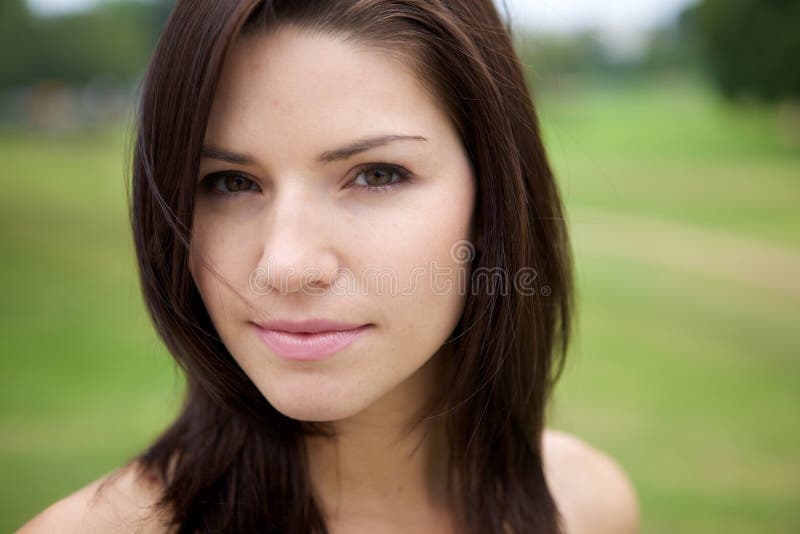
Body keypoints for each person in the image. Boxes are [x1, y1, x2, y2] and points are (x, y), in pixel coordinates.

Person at [19, 1, 639, 532]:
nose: (287, 266)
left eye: (376, 175)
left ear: (492, 199)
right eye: (231, 182)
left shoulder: (586, 505)